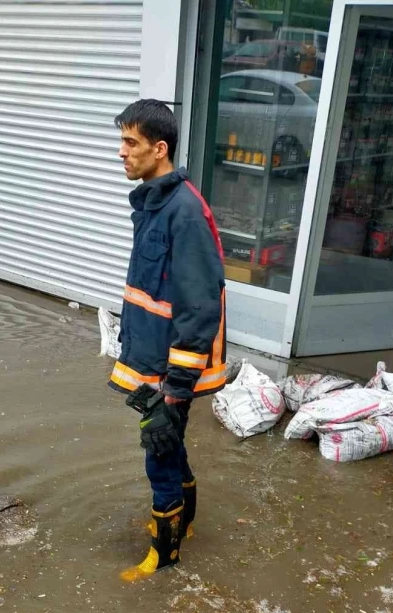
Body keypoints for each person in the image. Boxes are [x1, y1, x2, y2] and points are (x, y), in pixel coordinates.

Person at [109, 99, 227, 582]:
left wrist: (176, 386)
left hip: (170, 369)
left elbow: (200, 306)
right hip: (152, 358)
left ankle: (165, 554)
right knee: (170, 444)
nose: (121, 153)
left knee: (158, 449)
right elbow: (153, 291)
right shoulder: (157, 202)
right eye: (121, 141)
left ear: (160, 149)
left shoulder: (184, 213)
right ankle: (186, 524)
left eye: (130, 143)